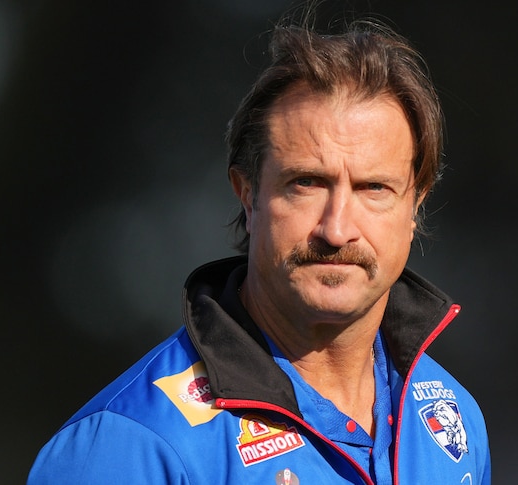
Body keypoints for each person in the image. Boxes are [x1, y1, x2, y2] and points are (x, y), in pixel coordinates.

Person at [28, 8, 491, 485]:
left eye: (374, 188)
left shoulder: (452, 423)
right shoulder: (129, 445)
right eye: (307, 183)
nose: (337, 230)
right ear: (247, 193)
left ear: (416, 205)